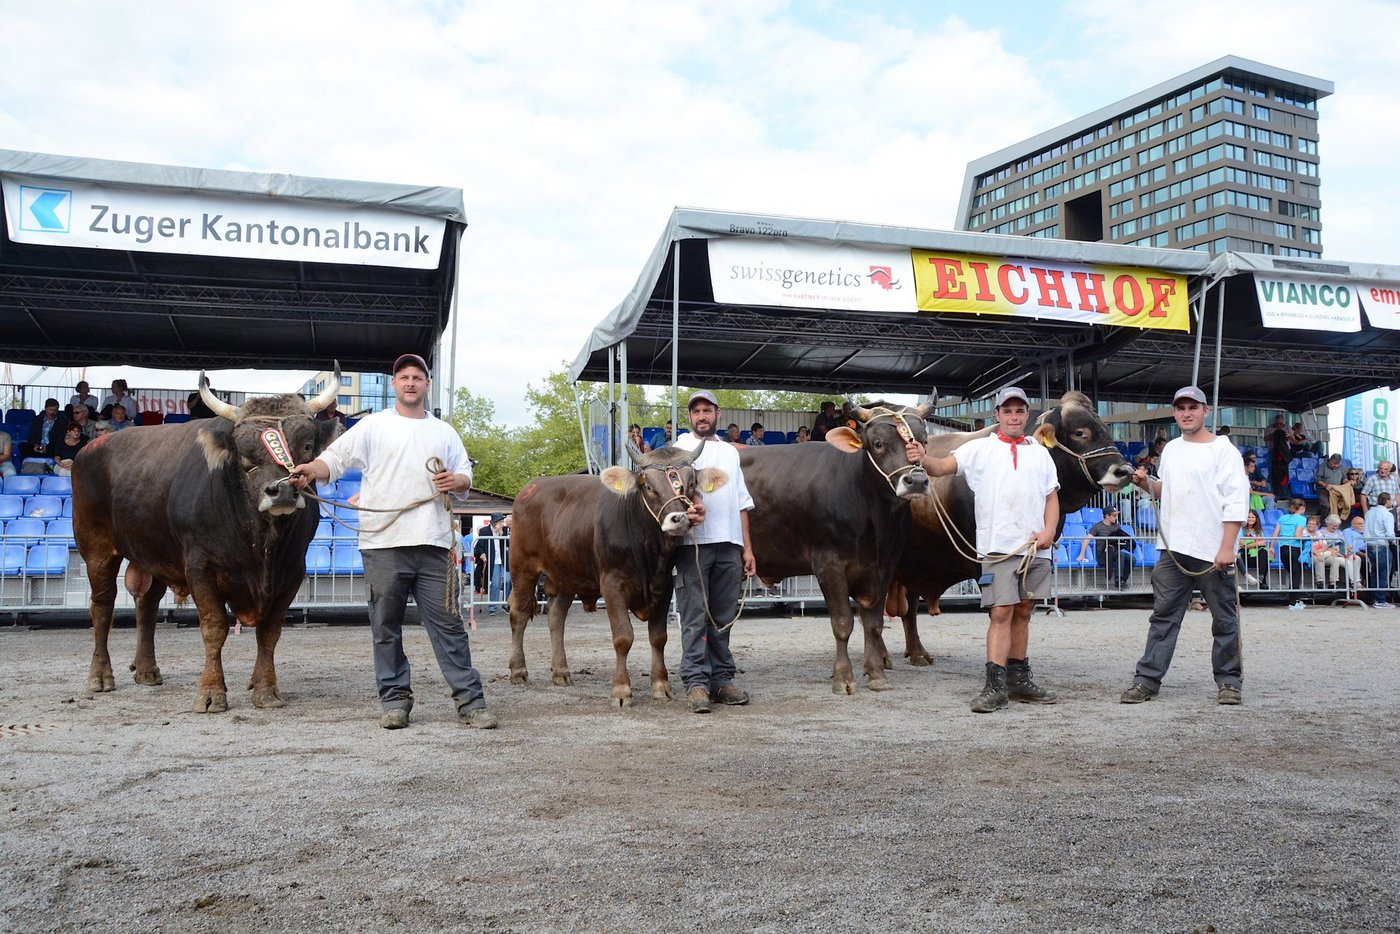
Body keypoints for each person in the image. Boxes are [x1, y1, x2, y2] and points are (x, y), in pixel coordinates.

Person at [289, 353, 496, 731]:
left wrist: (458, 482)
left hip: (433, 542)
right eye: (404, 377)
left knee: (449, 626)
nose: (411, 382)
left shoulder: (444, 432)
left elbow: (464, 474)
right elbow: (334, 460)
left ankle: (471, 702)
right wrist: (310, 471)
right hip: (383, 543)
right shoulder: (372, 427)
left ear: (427, 384)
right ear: (394, 384)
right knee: (385, 628)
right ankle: (395, 701)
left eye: (418, 376)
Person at [923, 386, 1060, 713]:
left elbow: (1050, 496)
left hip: (1034, 547)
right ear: (997, 415)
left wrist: (1050, 530)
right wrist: (920, 457)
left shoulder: (1041, 452)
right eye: (1008, 411)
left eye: (1019, 411)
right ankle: (994, 685)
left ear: (1027, 415)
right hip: (997, 547)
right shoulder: (978, 449)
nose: (1014, 416)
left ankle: (1018, 679)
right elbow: (941, 468)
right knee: (1001, 612)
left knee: (1024, 610)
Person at [1120, 386, 1248, 707]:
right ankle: (1147, 680)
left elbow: (1236, 501)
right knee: (1163, 617)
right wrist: (1146, 483)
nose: (1186, 413)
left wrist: (1227, 546)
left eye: (1193, 407)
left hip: (1212, 548)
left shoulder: (1224, 450)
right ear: (1175, 413)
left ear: (1206, 411)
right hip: (1172, 547)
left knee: (1224, 619)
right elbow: (1168, 491)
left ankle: (1229, 682)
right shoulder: (1173, 449)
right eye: (1181, 408)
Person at [672, 390, 755, 714]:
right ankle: (695, 683)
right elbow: (670, 494)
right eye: (696, 412)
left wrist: (747, 548)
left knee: (722, 617)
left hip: (729, 544)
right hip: (693, 544)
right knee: (694, 615)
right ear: (690, 417)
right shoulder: (678, 449)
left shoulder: (731, 453)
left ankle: (721, 680)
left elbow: (742, 502)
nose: (702, 416)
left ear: (717, 414)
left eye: (707, 410)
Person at [1080, 506, 1134, 589]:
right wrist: (1082, 554)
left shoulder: (1116, 526)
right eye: (1114, 515)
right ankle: (1118, 581)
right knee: (1121, 555)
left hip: (1115, 552)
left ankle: (1123, 580)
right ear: (1107, 516)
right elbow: (1087, 539)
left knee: (1132, 559)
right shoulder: (1097, 526)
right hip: (1104, 554)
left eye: (1116, 515)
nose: (1116, 517)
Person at [472, 513, 511, 615]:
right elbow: (479, 547)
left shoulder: (505, 530)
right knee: (495, 584)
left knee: (507, 581)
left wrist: (502, 535)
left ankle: (506, 604)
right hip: (493, 560)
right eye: (501, 522)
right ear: (494, 523)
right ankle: (492, 607)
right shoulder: (485, 531)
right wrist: (482, 554)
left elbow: (509, 544)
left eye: (503, 522)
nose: (503, 524)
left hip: (503, 559)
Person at [1365, 493, 1397, 608]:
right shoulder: (1387, 514)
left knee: (1375, 572)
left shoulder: (1369, 512)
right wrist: (1394, 541)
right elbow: (1389, 533)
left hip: (1370, 544)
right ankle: (1380, 600)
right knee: (1383, 573)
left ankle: (1375, 598)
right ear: (1387, 501)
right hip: (1381, 544)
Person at [1275, 498, 1310, 599]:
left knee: (1292, 572)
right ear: (1302, 508)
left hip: (1283, 548)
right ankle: (1294, 600)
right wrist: (1308, 538)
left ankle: (1293, 595)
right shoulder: (1302, 519)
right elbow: (1297, 535)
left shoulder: (1283, 518)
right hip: (1294, 548)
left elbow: (1275, 534)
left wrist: (1272, 547)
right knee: (1296, 574)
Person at [1236, 510, 1272, 589]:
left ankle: (1261, 580)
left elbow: (1264, 543)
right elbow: (1243, 545)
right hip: (1245, 555)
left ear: (1256, 519)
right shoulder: (1241, 529)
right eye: (1248, 517)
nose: (1251, 519)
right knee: (1262, 552)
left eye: (1253, 517)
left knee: (1264, 552)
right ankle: (1261, 581)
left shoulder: (1259, 530)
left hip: (1257, 555)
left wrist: (1250, 543)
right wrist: (1257, 543)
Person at [1311, 515, 1347, 592]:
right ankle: (1320, 582)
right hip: (1318, 552)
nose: (1335, 527)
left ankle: (1333, 583)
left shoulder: (1338, 532)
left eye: (1337, 526)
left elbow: (1325, 544)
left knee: (1335, 560)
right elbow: (1311, 547)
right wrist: (1328, 551)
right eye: (1333, 525)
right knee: (1319, 559)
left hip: (1328, 552)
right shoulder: (1320, 532)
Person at [1314, 453, 1349, 519]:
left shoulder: (1341, 467)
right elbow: (1317, 479)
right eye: (1334, 463)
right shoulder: (1323, 466)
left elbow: (1344, 478)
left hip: (1336, 490)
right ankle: (1323, 521)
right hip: (1323, 490)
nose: (1336, 465)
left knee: (1344, 504)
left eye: (1337, 464)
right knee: (1327, 506)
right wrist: (1325, 485)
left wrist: (1347, 482)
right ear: (1330, 460)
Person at [1267, 414, 1292, 500]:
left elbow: (1292, 438)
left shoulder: (1288, 428)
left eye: (1281, 424)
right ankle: (1274, 492)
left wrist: (1284, 435)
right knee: (1272, 473)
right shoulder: (1269, 428)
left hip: (1284, 455)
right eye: (1277, 424)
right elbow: (1265, 438)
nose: (1279, 425)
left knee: (1284, 475)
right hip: (1273, 452)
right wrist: (1275, 434)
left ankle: (1283, 493)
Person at [1341, 515, 1367, 593]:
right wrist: (1363, 554)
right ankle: (1361, 585)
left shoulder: (1366, 531)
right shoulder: (1347, 531)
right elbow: (1350, 546)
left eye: (1363, 523)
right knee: (1361, 561)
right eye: (1359, 524)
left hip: (1369, 551)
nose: (1362, 525)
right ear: (1353, 524)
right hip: (1357, 553)